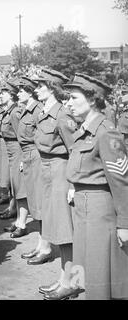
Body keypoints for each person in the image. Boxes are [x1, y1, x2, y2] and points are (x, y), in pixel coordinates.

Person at [63, 73, 128, 300]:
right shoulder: (85, 129)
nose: (68, 103)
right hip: (83, 208)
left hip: (100, 212)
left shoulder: (105, 131)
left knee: (101, 277)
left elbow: (121, 182)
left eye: (73, 97)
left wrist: (124, 224)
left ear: (92, 100)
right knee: (86, 272)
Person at [32, 69, 78, 298]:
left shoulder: (61, 115)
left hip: (61, 173)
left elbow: (75, 151)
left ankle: (69, 283)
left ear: (52, 89)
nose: (36, 89)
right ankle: (63, 278)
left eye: (41, 86)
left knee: (65, 232)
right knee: (56, 230)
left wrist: (73, 185)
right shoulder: (45, 112)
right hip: (47, 171)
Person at [15, 77, 50, 257]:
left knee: (40, 202)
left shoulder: (37, 110)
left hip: (36, 156)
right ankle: (40, 244)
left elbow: (40, 137)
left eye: (21, 91)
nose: (17, 93)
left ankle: (45, 246)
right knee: (34, 202)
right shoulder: (26, 109)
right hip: (28, 155)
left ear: (29, 92)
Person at [0, 81, 29, 238]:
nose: (0, 96)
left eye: (3, 93)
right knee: (15, 187)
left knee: (21, 189)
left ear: (10, 95)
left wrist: (24, 157)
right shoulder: (9, 111)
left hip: (17, 151)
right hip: (11, 152)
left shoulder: (15, 112)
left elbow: (21, 137)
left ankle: (22, 224)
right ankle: (18, 220)